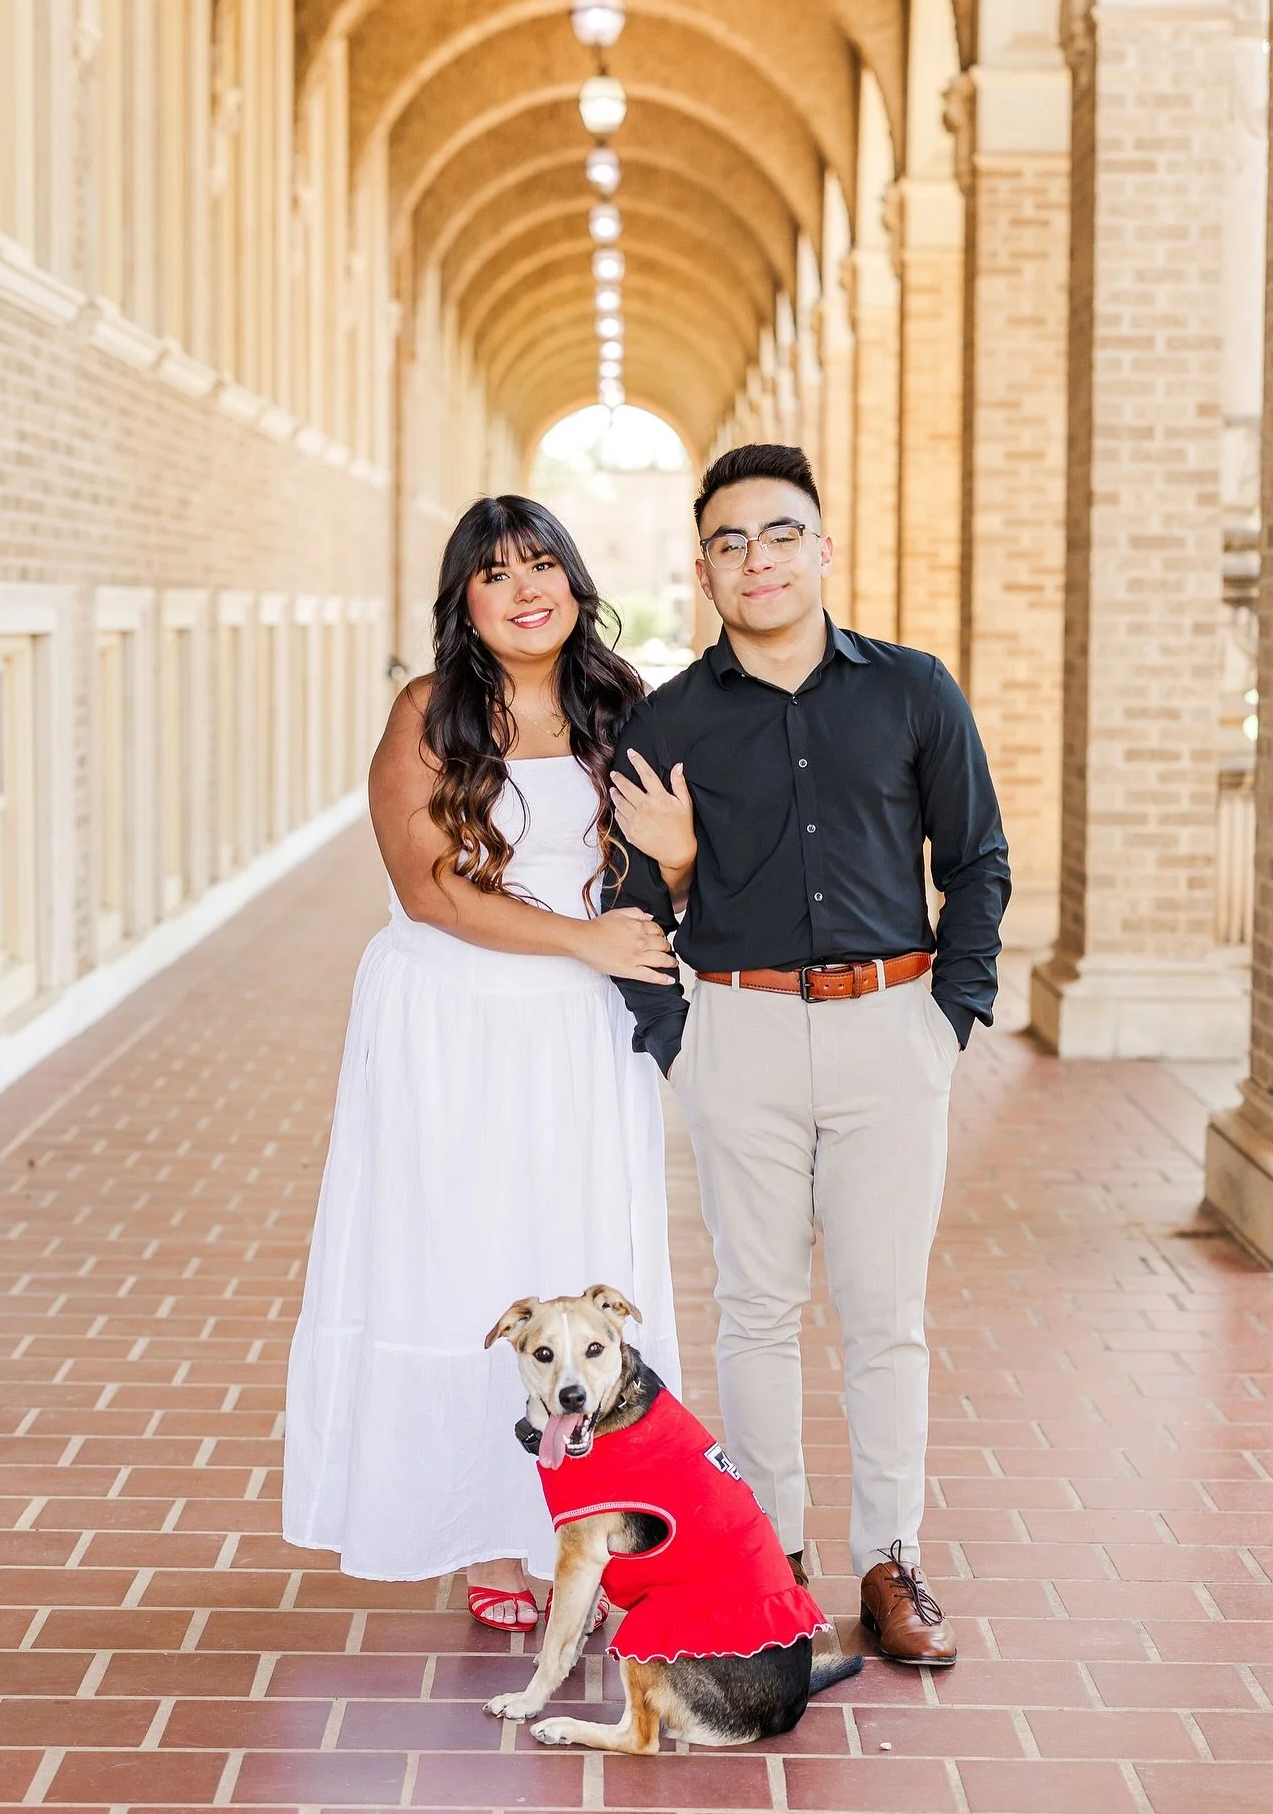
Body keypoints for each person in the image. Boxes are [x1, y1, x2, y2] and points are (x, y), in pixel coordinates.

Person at [605, 443, 1010, 1667]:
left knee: (886, 1316)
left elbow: (977, 860)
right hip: (742, 1038)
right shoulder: (664, 721)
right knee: (759, 1313)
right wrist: (682, 1045)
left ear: (822, 550)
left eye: (779, 535)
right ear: (706, 571)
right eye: (729, 544)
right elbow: (635, 911)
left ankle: (890, 1561)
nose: (757, 560)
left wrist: (950, 1018)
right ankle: (770, 1562)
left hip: (894, 1030)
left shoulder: (912, 691)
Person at [283, 495, 690, 1630]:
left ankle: (588, 1520)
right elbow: (426, 888)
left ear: (574, 579)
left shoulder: (627, 705)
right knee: (460, 1259)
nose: (526, 588)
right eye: (495, 572)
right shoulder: (428, 710)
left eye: (543, 563)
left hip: (579, 1031)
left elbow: (671, 862)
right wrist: (581, 937)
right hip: (451, 1024)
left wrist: (673, 879)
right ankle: (487, 1542)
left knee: (575, 1250)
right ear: (465, 598)